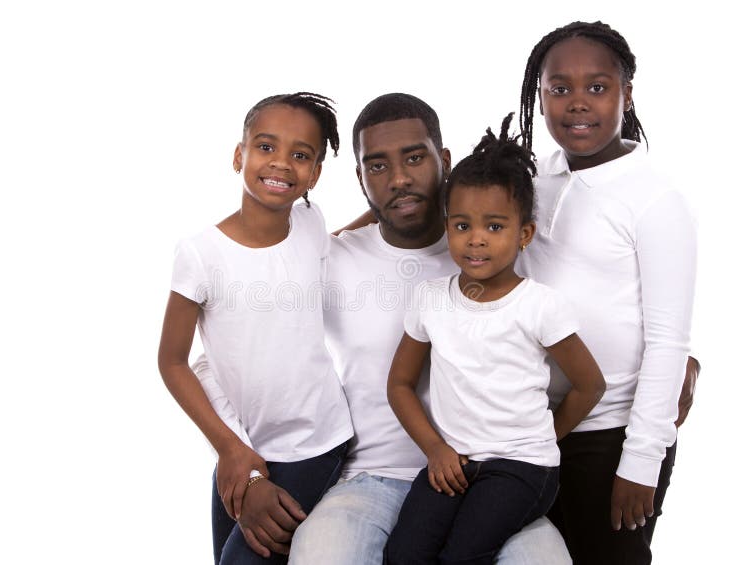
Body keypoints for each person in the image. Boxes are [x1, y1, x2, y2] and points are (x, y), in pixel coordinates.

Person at [285, 94, 573, 564]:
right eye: (378, 166)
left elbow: (589, 323)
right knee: (319, 554)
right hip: (375, 478)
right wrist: (239, 457)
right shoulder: (332, 260)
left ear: (444, 161)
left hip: (488, 479)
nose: (399, 178)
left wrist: (681, 356)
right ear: (360, 178)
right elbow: (242, 340)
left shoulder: (500, 251)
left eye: (415, 158)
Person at [383, 113, 606, 565]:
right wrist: (435, 449)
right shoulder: (430, 298)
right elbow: (399, 385)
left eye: (495, 226)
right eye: (462, 226)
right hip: (454, 460)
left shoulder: (539, 305)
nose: (476, 240)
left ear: (524, 234)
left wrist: (544, 439)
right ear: (447, 226)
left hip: (522, 468)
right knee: (404, 554)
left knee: (462, 556)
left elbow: (590, 385)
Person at [517, 22, 698, 564]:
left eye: (597, 87)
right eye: (559, 88)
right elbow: (447, 210)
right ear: (540, 97)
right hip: (536, 426)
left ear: (627, 94)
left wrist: (641, 461)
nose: (578, 103)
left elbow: (667, 339)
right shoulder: (531, 181)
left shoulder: (654, 200)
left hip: (613, 433)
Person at [157, 92, 353, 565]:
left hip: (315, 444)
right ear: (238, 155)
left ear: (315, 175)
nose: (281, 162)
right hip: (239, 447)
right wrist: (231, 451)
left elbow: (335, 245)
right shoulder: (201, 254)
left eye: (300, 155)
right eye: (266, 147)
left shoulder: (310, 222)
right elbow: (172, 361)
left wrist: (390, 217)